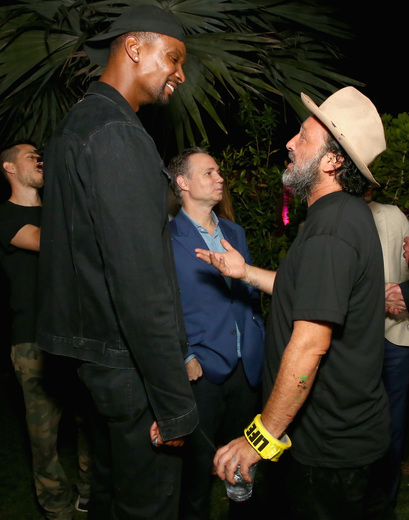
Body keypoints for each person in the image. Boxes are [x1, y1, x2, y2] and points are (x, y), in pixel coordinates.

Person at [196, 87, 396, 519]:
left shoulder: (332, 230)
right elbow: (300, 291)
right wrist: (244, 272)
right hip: (335, 442)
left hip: (330, 453)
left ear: (332, 160)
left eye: (303, 136)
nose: (289, 142)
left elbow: (310, 346)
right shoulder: (335, 216)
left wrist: (260, 438)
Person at [36, 5, 198, 520]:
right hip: (129, 372)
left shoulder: (75, 125)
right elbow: (141, 282)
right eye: (172, 58)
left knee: (108, 498)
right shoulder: (117, 133)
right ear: (134, 48)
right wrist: (173, 404)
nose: (180, 73)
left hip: (94, 364)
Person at [167, 147, 265, 519]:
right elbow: (161, 308)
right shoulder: (165, 238)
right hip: (202, 372)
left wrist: (260, 340)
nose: (219, 178)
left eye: (218, 172)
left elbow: (249, 294)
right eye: (208, 173)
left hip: (248, 369)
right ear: (183, 183)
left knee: (244, 469)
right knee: (196, 477)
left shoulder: (235, 232)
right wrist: (184, 355)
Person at [0, 140, 91, 519]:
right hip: (32, 343)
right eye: (30, 157)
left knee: (90, 421)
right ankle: (56, 505)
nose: (39, 160)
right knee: (44, 438)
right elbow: (44, 242)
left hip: (75, 336)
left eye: (41, 156)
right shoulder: (5, 216)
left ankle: (90, 492)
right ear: (8, 168)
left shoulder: (57, 212)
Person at [365, 190, 409, 507]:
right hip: (351, 341)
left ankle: (385, 500)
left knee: (392, 425)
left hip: (396, 335)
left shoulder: (394, 215)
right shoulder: (325, 217)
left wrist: (402, 297)